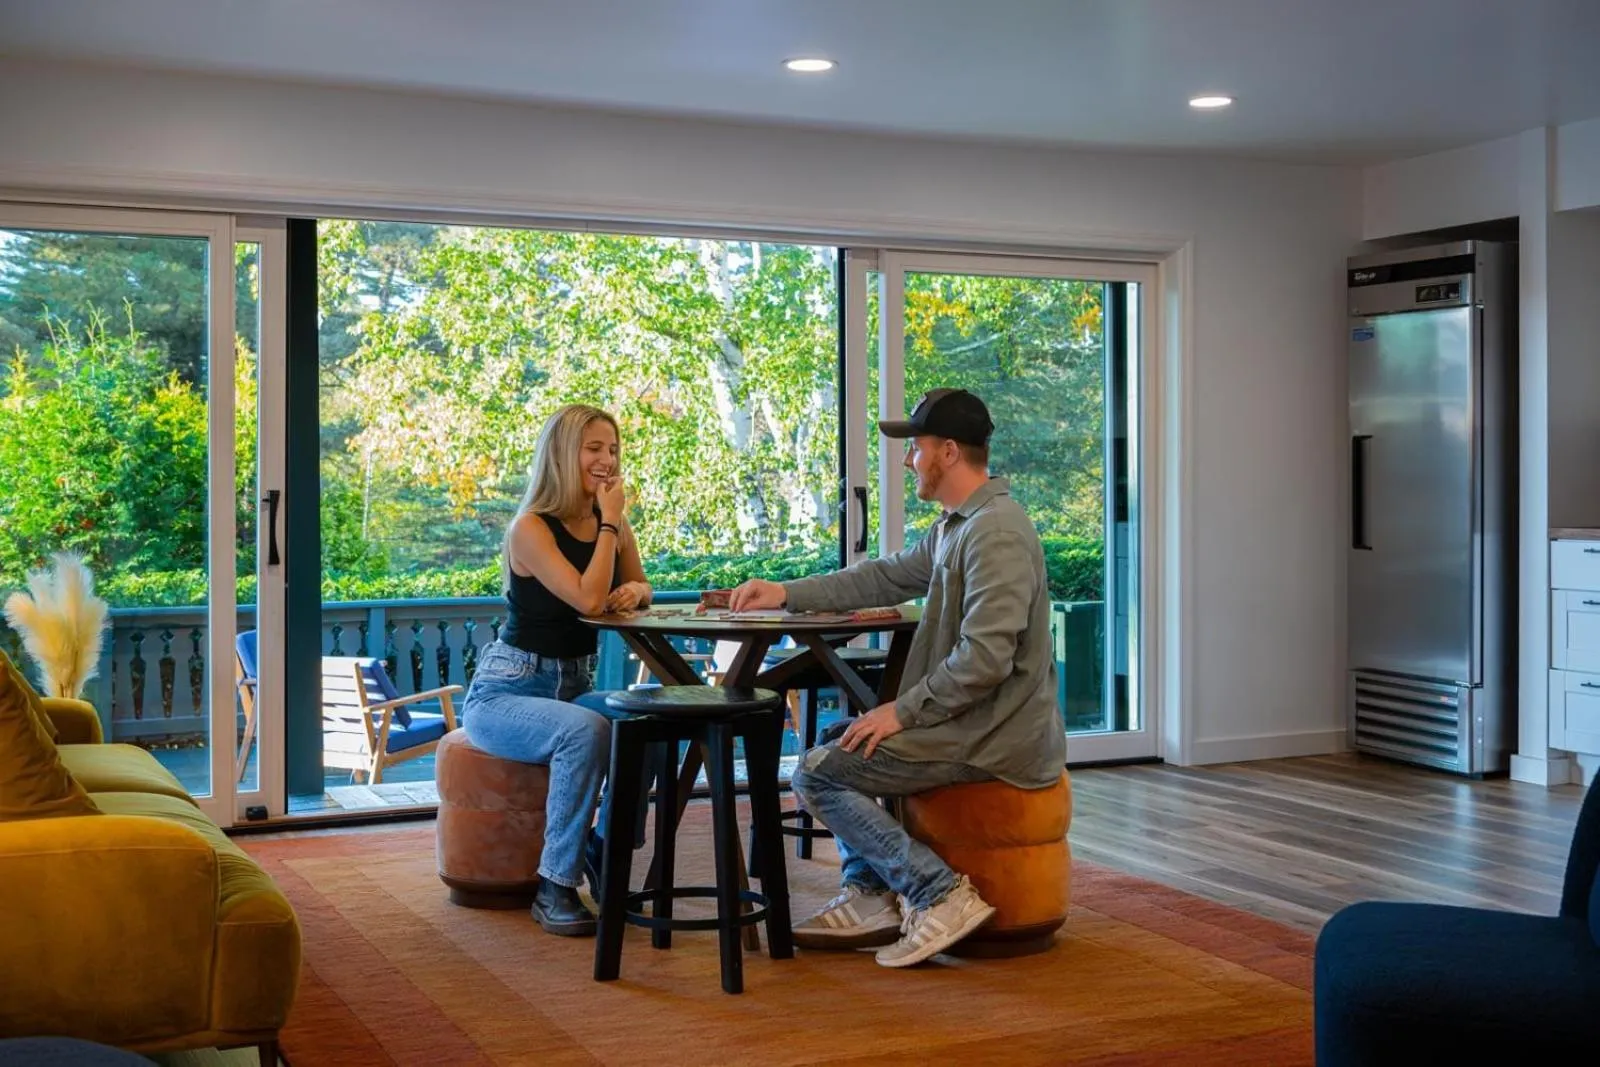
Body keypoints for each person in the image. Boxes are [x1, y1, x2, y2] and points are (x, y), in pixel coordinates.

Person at [730, 388, 1066, 967]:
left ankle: (939, 894)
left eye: (917, 448)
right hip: (971, 724)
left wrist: (902, 712)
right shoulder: (958, 526)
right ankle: (871, 894)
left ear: (949, 452)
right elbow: (882, 578)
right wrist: (784, 593)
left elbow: (986, 661)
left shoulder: (997, 533)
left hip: (994, 738)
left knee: (817, 773)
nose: (909, 460)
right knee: (837, 738)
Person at [462, 403, 654, 937]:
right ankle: (555, 885)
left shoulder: (610, 524)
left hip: (573, 684)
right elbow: (587, 599)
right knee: (585, 729)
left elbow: (643, 586)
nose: (606, 459)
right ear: (564, 454)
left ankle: (605, 847)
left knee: (649, 721)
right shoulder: (531, 528)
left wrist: (635, 589)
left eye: (612, 449)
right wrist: (610, 521)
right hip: (507, 691)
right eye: (594, 448)